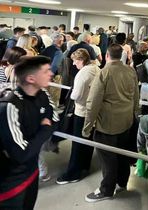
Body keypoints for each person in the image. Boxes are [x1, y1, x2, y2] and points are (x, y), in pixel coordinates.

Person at [82, 44, 139, 202]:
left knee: (107, 159)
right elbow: (136, 95)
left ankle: (106, 190)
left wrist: (87, 127)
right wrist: (134, 114)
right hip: (126, 121)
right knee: (122, 154)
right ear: (121, 55)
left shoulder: (104, 73)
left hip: (107, 125)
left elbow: (93, 103)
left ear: (107, 55)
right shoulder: (130, 71)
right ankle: (122, 183)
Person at [0, 56, 58, 209]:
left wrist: (42, 131)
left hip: (32, 173)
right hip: (10, 183)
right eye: (46, 71)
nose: (51, 74)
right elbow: (21, 154)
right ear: (31, 78)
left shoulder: (43, 95)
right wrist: (44, 129)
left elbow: (56, 120)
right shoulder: (10, 106)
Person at [56, 49, 100, 185]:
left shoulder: (83, 73)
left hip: (81, 111)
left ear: (81, 60)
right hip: (93, 112)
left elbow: (76, 95)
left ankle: (73, 172)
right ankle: (85, 166)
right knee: (88, 140)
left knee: (77, 143)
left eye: (75, 61)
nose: (74, 64)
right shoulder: (97, 69)